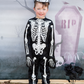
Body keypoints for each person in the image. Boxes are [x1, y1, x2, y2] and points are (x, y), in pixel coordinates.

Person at [24, 0, 56, 84]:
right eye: (38, 9)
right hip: (32, 54)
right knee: (32, 76)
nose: (41, 11)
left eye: (44, 9)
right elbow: (26, 39)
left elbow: (52, 40)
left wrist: (51, 56)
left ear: (47, 10)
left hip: (45, 54)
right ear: (34, 9)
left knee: (45, 75)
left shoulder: (49, 23)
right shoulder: (30, 22)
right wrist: (28, 55)